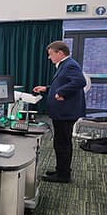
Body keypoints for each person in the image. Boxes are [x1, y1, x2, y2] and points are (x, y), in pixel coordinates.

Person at [33, 41, 86, 183]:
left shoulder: (70, 65)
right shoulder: (65, 65)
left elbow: (80, 81)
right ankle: (61, 169)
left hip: (66, 113)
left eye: (51, 54)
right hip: (63, 113)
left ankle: (63, 175)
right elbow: (62, 84)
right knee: (61, 142)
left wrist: (62, 92)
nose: (49, 58)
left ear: (60, 53)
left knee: (62, 143)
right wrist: (47, 88)